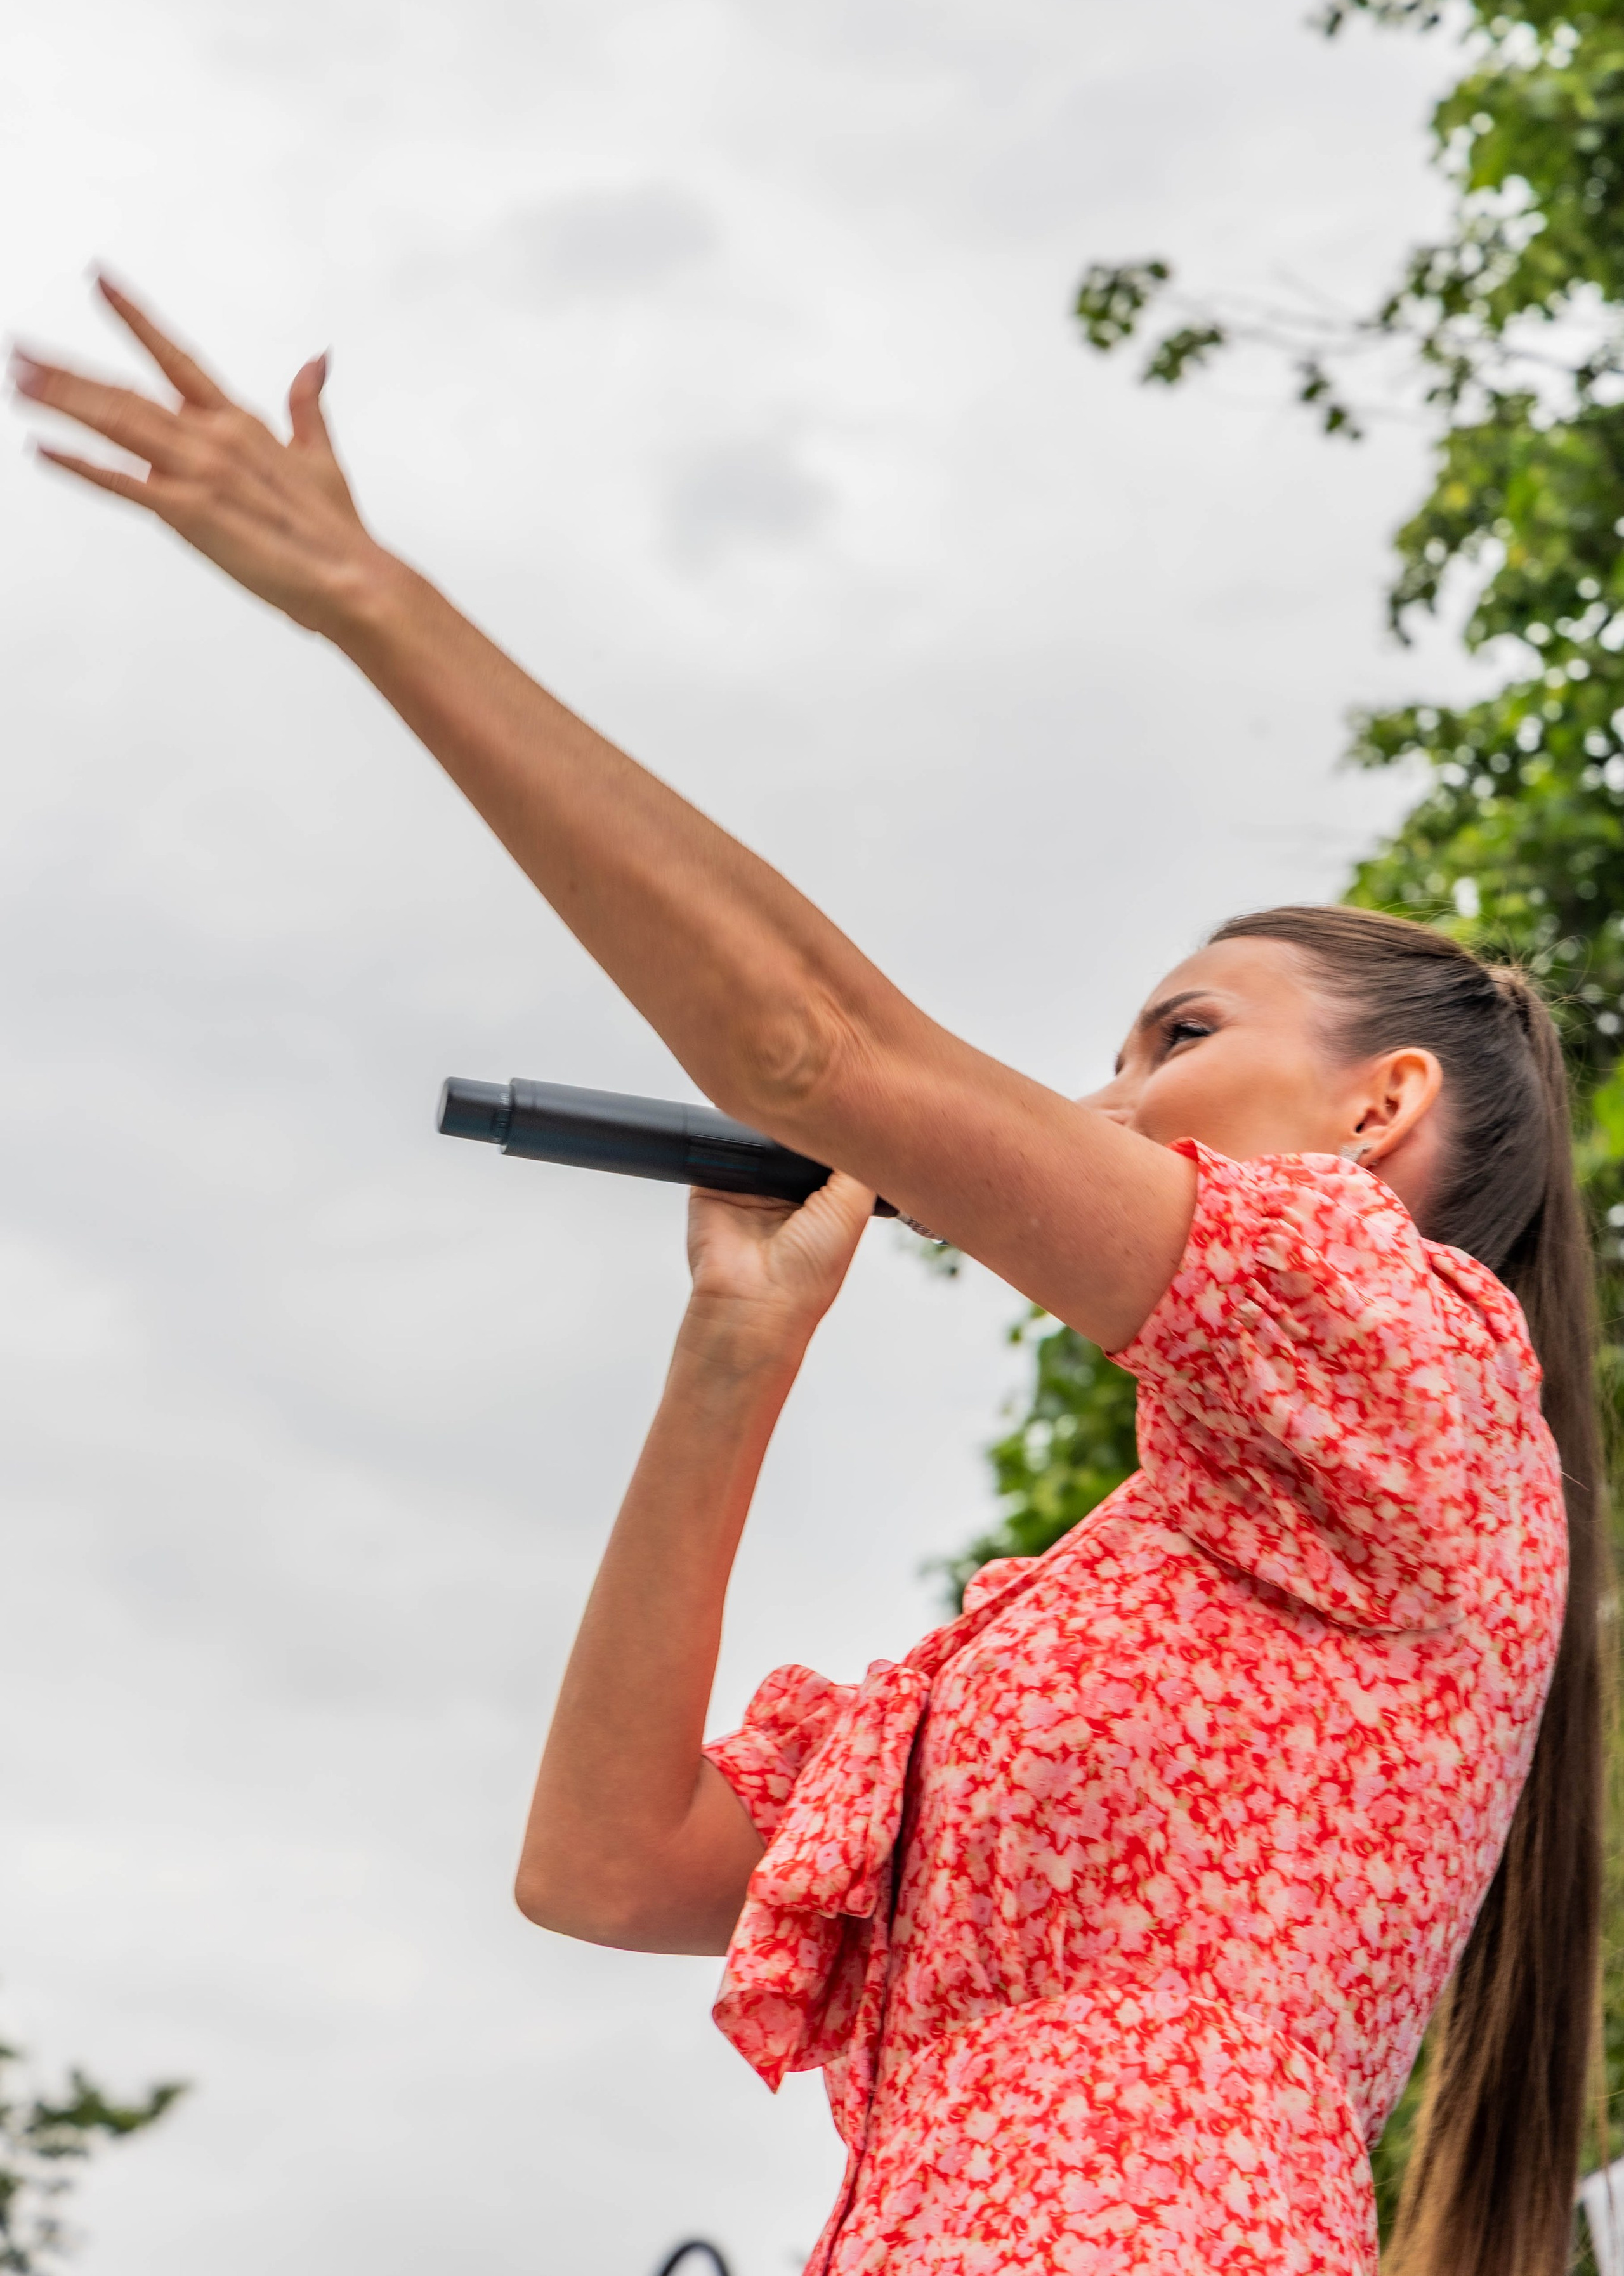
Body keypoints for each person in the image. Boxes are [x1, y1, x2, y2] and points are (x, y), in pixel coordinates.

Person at [8, 284, 1602, 2276]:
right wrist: (735, 1346)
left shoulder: (1419, 1366)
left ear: (1381, 1111)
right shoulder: (1101, 1611)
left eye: (1176, 1038)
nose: (1099, 1103)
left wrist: (373, 604)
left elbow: (813, 1047)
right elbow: (602, 1864)